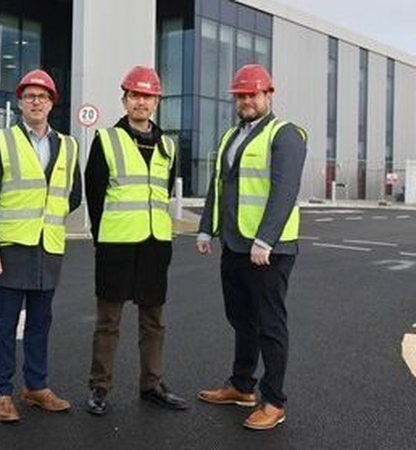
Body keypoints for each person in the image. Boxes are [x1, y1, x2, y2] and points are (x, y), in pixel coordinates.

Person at [196, 64, 307, 431]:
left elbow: (284, 191)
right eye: (240, 95)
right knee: (241, 318)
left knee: (270, 324)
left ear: (268, 95)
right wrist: (205, 229)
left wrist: (266, 239)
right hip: (234, 244)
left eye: (252, 94)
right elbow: (220, 186)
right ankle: (242, 385)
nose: (245, 100)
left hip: (268, 250)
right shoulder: (231, 136)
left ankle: (273, 400)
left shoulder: (284, 134)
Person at [0, 69, 82, 423]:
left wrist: (47, 215)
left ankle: (36, 387)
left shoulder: (67, 145)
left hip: (47, 248)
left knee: (40, 323)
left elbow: (74, 195)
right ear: (19, 102)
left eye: (43, 96)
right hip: (10, 249)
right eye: (30, 96)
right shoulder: (2, 140)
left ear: (52, 103)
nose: (36, 101)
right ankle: (2, 392)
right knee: (5, 325)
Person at [84, 65, 188, 416]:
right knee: (108, 322)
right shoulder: (106, 140)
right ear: (125, 99)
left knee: (154, 321)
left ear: (157, 100)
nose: (141, 101)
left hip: (156, 245)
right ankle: (100, 387)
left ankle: (152, 384)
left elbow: (164, 193)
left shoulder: (168, 146)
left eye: (147, 96)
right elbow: (95, 195)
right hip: (115, 245)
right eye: (135, 95)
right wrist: (103, 237)